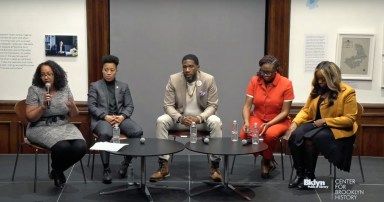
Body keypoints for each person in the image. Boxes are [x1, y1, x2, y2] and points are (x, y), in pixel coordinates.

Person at [150, 54, 223, 182]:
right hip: (181, 120)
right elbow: (168, 105)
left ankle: (215, 166)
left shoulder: (208, 79)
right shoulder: (174, 79)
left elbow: (213, 105)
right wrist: (181, 118)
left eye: (191, 66)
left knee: (216, 122)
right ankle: (163, 166)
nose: (187, 70)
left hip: (201, 120)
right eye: (184, 67)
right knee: (161, 121)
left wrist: (199, 118)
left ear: (198, 67)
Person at [286, 61, 358, 190]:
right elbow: (306, 110)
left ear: (332, 78)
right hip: (317, 125)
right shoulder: (316, 90)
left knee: (310, 140)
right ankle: (300, 173)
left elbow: (349, 119)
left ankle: (310, 177)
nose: (320, 82)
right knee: (295, 136)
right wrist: (295, 123)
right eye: (318, 79)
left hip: (336, 128)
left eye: (323, 79)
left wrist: (325, 121)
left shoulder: (348, 92)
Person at [25, 60, 87, 188]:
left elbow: (74, 114)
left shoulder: (65, 88)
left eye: (49, 74)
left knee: (80, 147)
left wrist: (73, 107)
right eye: (43, 74)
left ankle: (56, 170)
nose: (46, 77)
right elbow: (30, 117)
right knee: (62, 147)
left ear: (56, 74)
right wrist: (42, 106)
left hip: (63, 124)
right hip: (40, 126)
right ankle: (58, 172)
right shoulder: (34, 90)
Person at [88, 54, 143, 184]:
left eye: (111, 70)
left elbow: (129, 106)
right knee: (105, 133)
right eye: (105, 70)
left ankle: (125, 163)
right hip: (102, 119)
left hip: (120, 118)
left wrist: (122, 116)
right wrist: (104, 116)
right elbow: (91, 106)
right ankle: (106, 169)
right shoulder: (95, 86)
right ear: (102, 70)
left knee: (137, 131)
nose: (108, 73)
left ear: (116, 71)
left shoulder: (123, 86)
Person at [239, 55, 294, 179]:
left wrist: (269, 123)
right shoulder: (255, 80)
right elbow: (247, 106)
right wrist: (246, 122)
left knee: (270, 134)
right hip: (258, 117)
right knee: (245, 134)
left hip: (279, 119)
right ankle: (268, 154)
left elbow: (285, 112)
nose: (265, 75)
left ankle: (266, 160)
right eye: (263, 71)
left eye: (269, 72)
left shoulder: (286, 83)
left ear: (276, 70)